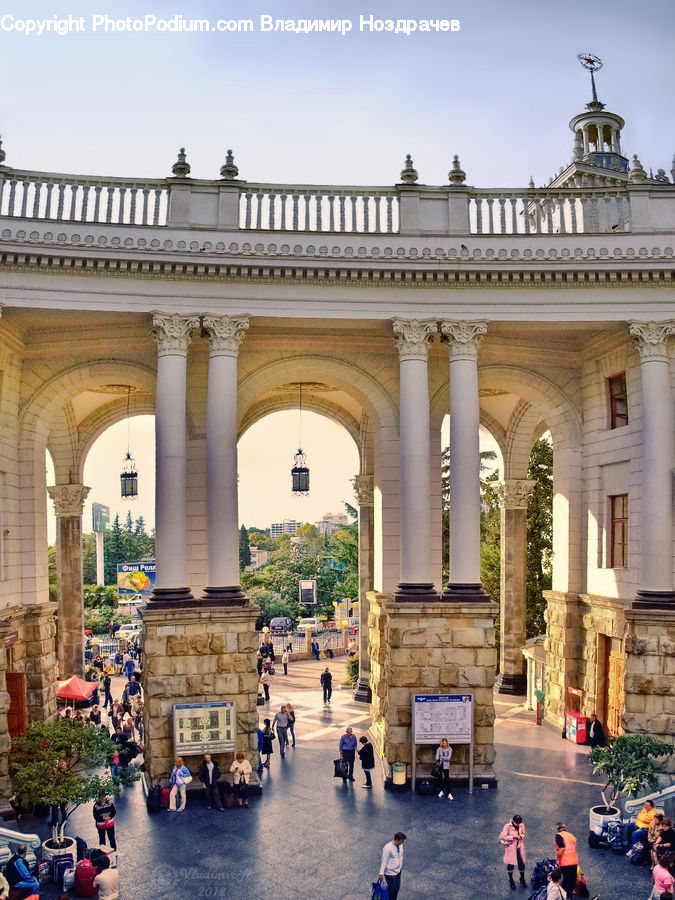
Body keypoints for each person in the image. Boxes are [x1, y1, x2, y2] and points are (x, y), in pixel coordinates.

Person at [500, 814, 526, 890]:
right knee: (511, 865)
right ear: (513, 821)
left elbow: (523, 833)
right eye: (516, 823)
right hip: (511, 848)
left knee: (521, 864)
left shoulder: (521, 825)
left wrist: (521, 836)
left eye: (519, 823)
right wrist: (513, 837)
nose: (518, 825)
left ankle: (522, 879)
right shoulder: (507, 826)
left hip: (519, 847)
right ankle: (511, 880)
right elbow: (503, 836)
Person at [378, 831, 406, 900]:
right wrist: (381, 873)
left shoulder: (400, 845)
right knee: (392, 890)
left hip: (398, 871)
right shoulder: (387, 848)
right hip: (390, 873)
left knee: (397, 888)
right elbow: (384, 861)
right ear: (398, 840)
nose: (403, 843)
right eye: (402, 841)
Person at [554, 823, 578, 898]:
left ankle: (564, 897)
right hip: (574, 861)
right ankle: (570, 896)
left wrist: (558, 860)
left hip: (565, 862)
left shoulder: (559, 835)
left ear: (558, 829)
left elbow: (561, 848)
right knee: (572, 880)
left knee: (565, 881)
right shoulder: (571, 836)